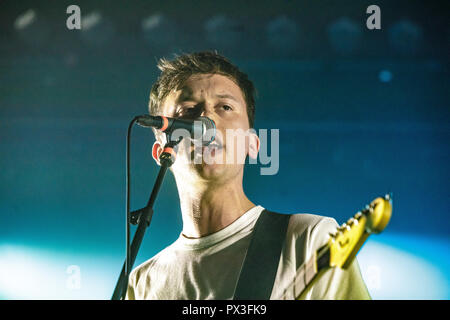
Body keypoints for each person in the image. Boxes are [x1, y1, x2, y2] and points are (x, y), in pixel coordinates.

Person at [126, 51, 370, 300]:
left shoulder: (308, 239)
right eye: (188, 110)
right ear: (160, 152)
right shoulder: (141, 284)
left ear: (252, 144)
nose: (206, 120)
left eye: (225, 107)